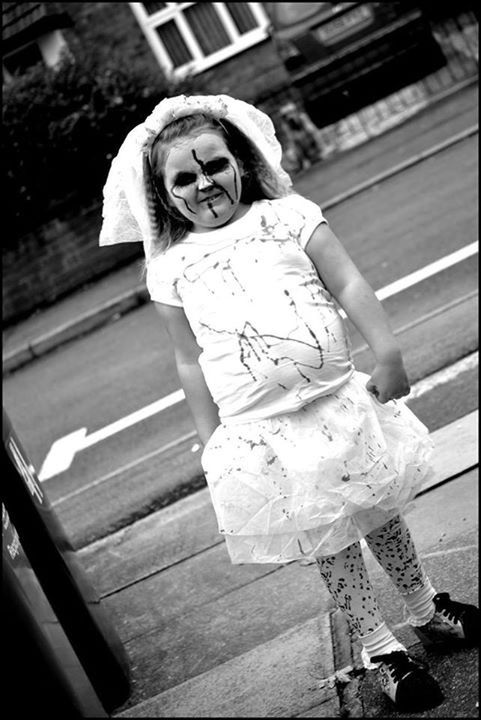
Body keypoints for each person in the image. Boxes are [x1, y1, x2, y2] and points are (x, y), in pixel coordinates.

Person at [99, 94, 479, 712]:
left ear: (240, 164)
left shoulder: (289, 216)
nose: (204, 183)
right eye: (184, 178)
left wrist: (388, 354)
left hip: (338, 403)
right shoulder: (170, 267)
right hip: (265, 432)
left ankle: (425, 607)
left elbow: (349, 281)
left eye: (214, 166)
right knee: (329, 542)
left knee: (378, 510)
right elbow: (187, 358)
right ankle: (380, 648)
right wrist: (210, 439)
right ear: (164, 197)